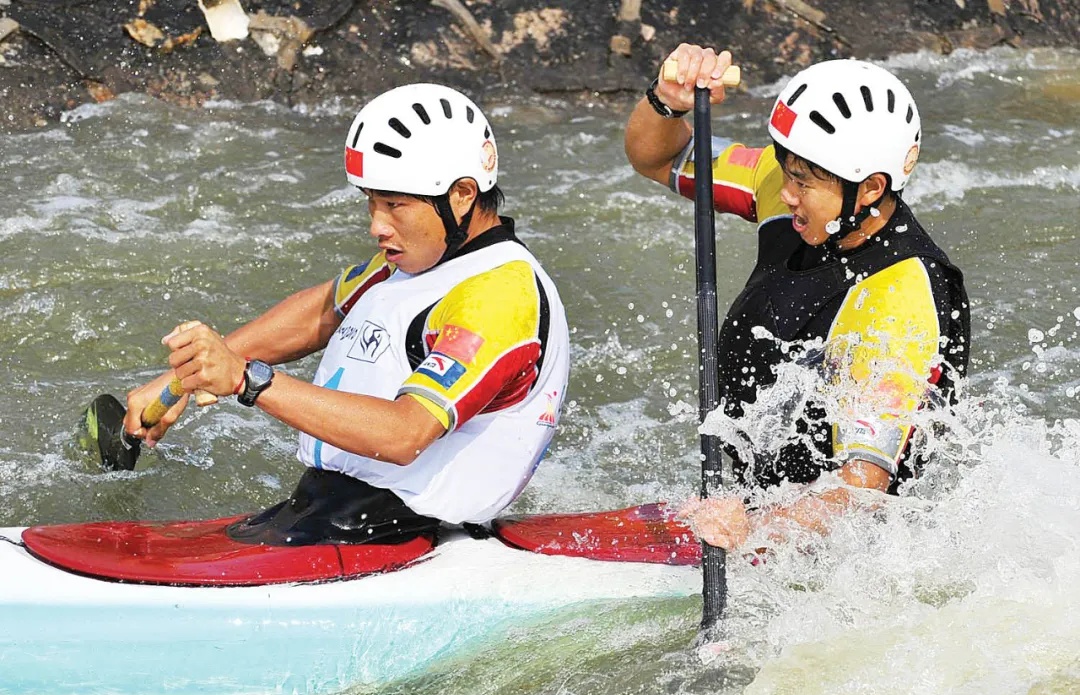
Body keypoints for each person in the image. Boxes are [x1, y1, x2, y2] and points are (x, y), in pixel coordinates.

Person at [123, 83, 570, 545]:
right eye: (371, 202)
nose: (377, 225)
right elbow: (320, 310)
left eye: (395, 204)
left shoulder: (500, 296)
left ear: (461, 194)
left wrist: (246, 379)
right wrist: (190, 373)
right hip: (333, 513)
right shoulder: (411, 259)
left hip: (416, 536)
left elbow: (405, 434)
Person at [624, 45, 970, 551]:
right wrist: (668, 102)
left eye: (802, 181)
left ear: (870, 188)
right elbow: (656, 158)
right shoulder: (793, 188)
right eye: (785, 171)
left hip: (834, 560)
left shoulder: (899, 294)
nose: (785, 192)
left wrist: (754, 531)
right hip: (751, 513)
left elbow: (861, 492)